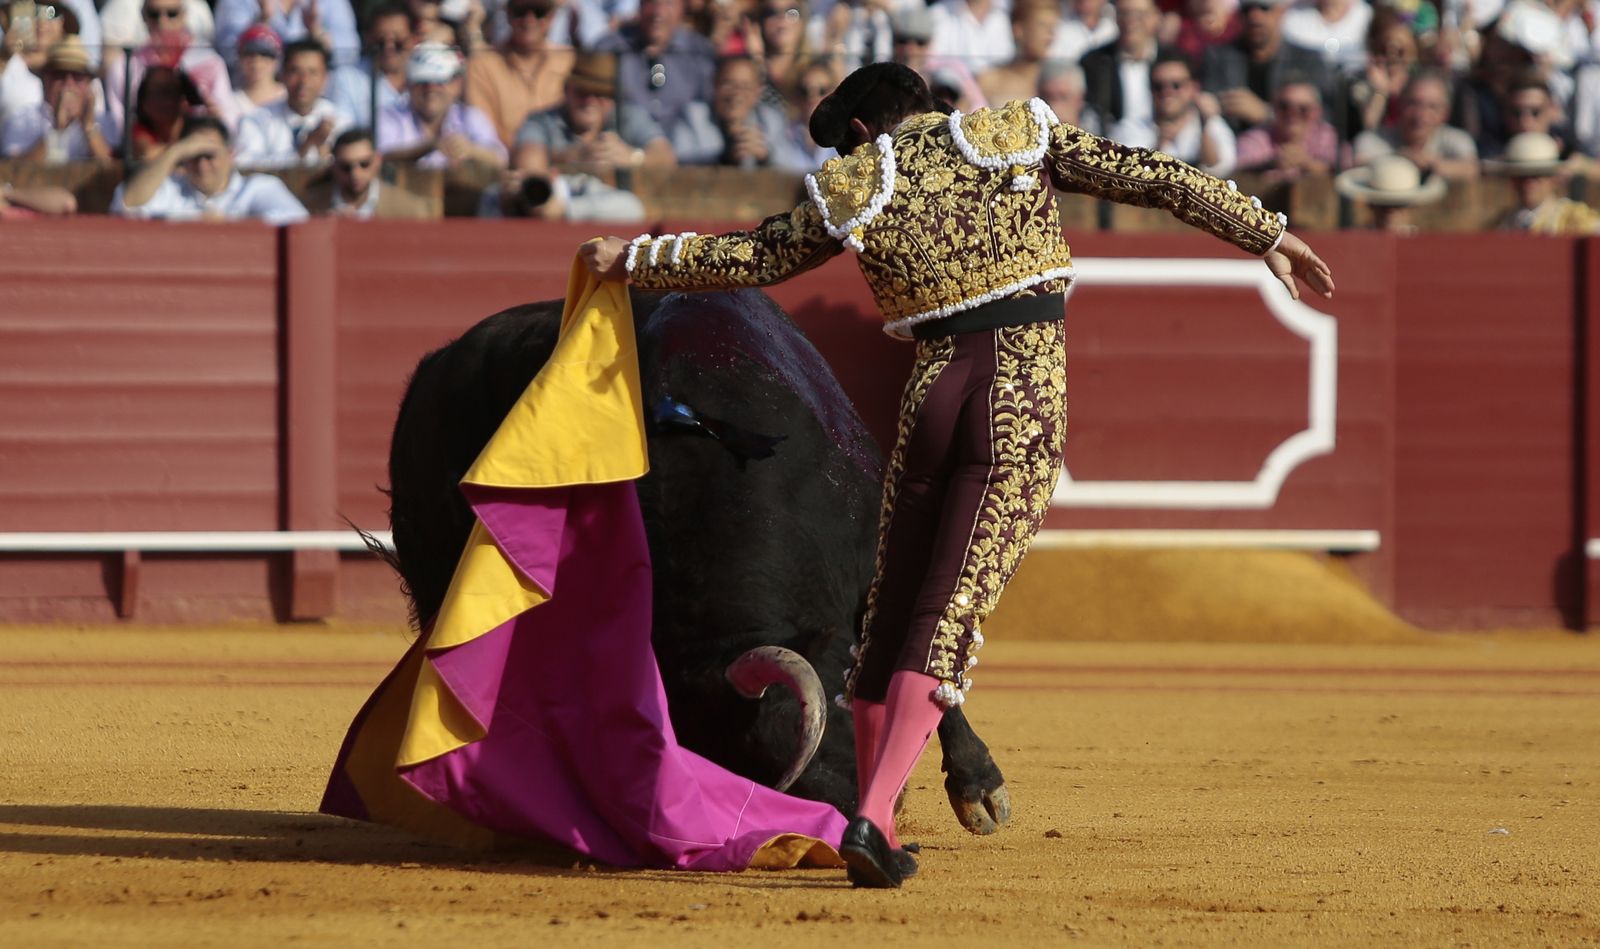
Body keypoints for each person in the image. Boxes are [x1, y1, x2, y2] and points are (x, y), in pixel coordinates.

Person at [578, 61, 1333, 889]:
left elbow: (755, 256)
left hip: (933, 391)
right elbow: (1153, 175)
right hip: (1021, 389)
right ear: (929, 104)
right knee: (949, 616)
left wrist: (636, 258)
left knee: (895, 606)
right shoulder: (1013, 133)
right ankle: (870, 817)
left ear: (863, 130)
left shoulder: (857, 181)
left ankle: (876, 817)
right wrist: (1264, 232)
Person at [111, 116, 310, 222]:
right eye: (193, 156)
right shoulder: (171, 187)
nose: (202, 165)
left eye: (209, 155)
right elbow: (125, 205)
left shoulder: (258, 188)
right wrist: (174, 152)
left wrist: (229, 224)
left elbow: (296, 220)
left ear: (230, 154)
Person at [1201, 0, 1328, 132]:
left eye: (1264, 8)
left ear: (1281, 12)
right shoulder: (1218, 58)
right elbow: (1208, 103)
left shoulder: (1307, 61)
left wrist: (1269, 115)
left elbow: (1327, 117)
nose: (1255, 17)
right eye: (1247, 10)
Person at [377, 42, 507, 169]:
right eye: (422, 81)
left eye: (440, 81)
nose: (431, 89)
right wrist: (430, 147)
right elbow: (380, 158)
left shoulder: (471, 116)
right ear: (409, 85)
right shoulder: (389, 116)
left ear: (457, 84)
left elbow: (500, 159)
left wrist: (470, 150)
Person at [670, 53, 811, 169]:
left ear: (758, 92)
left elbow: (792, 168)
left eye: (745, 87)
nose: (736, 95)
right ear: (714, 85)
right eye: (728, 84)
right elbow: (679, 162)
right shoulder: (694, 116)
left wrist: (766, 158)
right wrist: (723, 158)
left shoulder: (770, 120)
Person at [464, 0, 573, 150]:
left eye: (539, 11)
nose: (529, 20)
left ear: (551, 17)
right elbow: (484, 132)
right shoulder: (482, 64)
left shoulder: (569, 61)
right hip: (503, 166)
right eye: (520, 11)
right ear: (507, 14)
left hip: (563, 163)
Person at [1112, 51, 1237, 177]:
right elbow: (1126, 175)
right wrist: (1158, 147)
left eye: (1176, 85)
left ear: (1194, 87)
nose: (1167, 92)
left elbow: (1220, 170)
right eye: (1158, 86)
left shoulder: (1211, 124)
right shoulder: (1131, 128)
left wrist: (1204, 129)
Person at [234, 39, 352, 166]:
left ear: (325, 78)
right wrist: (303, 148)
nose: (304, 82)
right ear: (283, 75)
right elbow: (246, 166)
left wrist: (327, 156)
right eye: (295, 71)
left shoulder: (341, 122)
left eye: (313, 73)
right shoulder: (257, 120)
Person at [0, 36, 114, 162]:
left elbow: (112, 169)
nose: (68, 83)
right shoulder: (22, 118)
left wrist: (89, 128)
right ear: (45, 79)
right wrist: (56, 131)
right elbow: (14, 172)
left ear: (88, 83)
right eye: (59, 75)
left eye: (77, 76)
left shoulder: (104, 121)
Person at [1352, 70, 1479, 181]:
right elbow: (1358, 164)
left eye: (1433, 107)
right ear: (1400, 104)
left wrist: (1433, 165)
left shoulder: (1457, 139)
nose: (1421, 115)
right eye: (1413, 103)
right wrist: (1401, 159)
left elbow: (1472, 168)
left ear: (1445, 113)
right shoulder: (1373, 139)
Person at [1080, 0, 1175, 128]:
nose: (1130, 21)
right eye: (1124, 13)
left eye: (1140, 14)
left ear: (1157, 17)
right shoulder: (1094, 62)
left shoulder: (1173, 61)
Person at [302, 126, 434, 216]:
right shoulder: (310, 208)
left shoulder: (408, 209)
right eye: (346, 167)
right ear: (334, 166)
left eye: (364, 164)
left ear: (377, 161)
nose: (355, 173)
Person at [1486, 131, 1600, 234]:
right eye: (1520, 176)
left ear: (1553, 178)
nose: (1528, 183)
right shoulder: (1502, 224)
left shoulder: (1574, 219)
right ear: (1512, 180)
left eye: (1536, 175)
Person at [1234, 75, 1339, 180]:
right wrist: (1269, 164)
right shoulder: (1256, 137)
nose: (1293, 113)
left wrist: (1308, 164)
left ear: (1317, 111)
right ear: (1274, 107)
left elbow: (1348, 169)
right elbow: (1236, 172)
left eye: (1303, 109)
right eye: (1284, 106)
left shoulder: (1329, 137)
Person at [326, 4, 413, 129]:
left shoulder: (427, 77)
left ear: (413, 40)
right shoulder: (347, 78)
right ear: (368, 39)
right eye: (380, 42)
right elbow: (344, 132)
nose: (389, 48)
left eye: (398, 42)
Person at [1333, 152, 1445, 233]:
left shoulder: (1421, 242)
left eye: (1399, 205)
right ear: (1371, 205)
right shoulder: (1356, 240)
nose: (1390, 212)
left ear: (1410, 207)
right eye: (1383, 205)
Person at [231, 24, 287, 118]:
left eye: (265, 55)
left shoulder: (290, 95)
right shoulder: (230, 101)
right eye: (249, 54)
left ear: (277, 60)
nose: (256, 62)